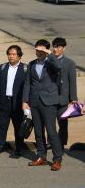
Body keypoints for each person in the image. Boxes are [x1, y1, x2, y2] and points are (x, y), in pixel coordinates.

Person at [22, 39, 63, 171]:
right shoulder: (31, 64)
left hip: (49, 102)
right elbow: (27, 83)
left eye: (41, 50)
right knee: (38, 132)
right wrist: (25, 101)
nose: (38, 53)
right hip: (35, 102)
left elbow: (59, 66)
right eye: (37, 50)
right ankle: (41, 156)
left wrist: (49, 53)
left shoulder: (51, 63)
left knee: (51, 132)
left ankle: (57, 159)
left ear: (45, 51)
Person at [0, 45, 27, 156]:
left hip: (18, 102)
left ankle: (18, 148)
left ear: (19, 56)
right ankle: (1, 145)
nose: (11, 56)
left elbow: (28, 86)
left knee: (18, 125)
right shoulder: (3, 67)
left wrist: (27, 101)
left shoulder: (25, 68)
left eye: (13, 54)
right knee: (2, 124)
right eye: (9, 54)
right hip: (5, 101)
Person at [51, 37, 78, 149]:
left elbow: (72, 82)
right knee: (50, 123)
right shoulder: (49, 61)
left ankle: (61, 143)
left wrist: (73, 99)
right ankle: (52, 143)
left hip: (63, 99)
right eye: (55, 47)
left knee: (62, 123)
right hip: (50, 98)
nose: (56, 49)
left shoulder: (70, 63)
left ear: (64, 48)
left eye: (59, 47)